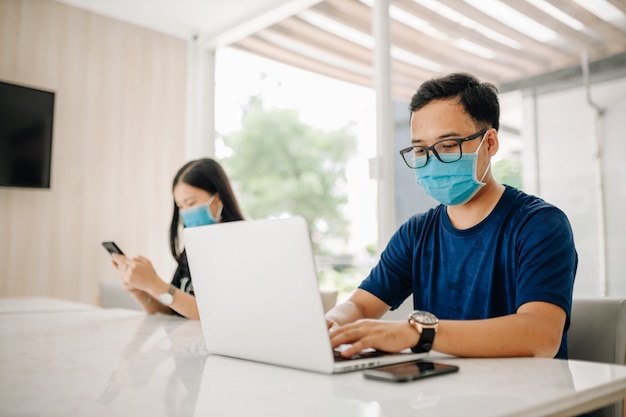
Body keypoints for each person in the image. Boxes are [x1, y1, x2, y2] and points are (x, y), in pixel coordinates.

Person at [326, 72, 578, 359]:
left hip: (529, 395)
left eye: (447, 146)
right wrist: (331, 323)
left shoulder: (539, 225)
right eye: (420, 149)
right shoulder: (417, 234)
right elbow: (360, 306)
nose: (432, 161)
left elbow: (540, 337)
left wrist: (418, 332)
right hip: (443, 392)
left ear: (490, 143)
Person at [110, 158, 244, 319]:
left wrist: (154, 284)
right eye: (181, 206)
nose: (186, 212)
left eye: (191, 203)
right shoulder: (193, 247)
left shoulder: (239, 248)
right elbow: (172, 311)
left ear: (217, 199)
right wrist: (139, 289)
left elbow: (215, 316)